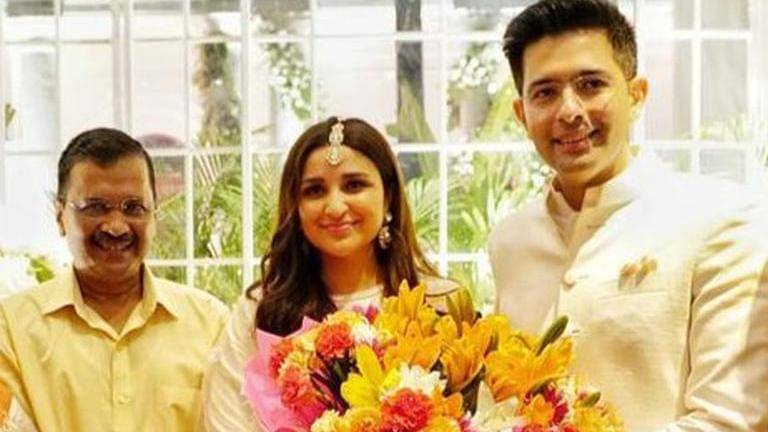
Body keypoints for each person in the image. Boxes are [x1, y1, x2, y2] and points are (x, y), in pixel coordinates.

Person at [489, 0, 768, 430]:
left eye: (590, 85)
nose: (569, 111)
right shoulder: (510, 240)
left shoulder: (721, 219)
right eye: (545, 92)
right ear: (522, 115)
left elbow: (728, 420)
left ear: (636, 95)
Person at [202, 117, 459, 431]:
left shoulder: (438, 302)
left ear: (389, 196)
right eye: (315, 191)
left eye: (354, 185)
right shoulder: (261, 311)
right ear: (296, 206)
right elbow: (225, 419)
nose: (335, 207)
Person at [0, 128, 229, 431]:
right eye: (95, 207)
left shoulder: (210, 324)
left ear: (154, 216)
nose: (116, 226)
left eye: (133, 208)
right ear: (60, 216)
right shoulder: (11, 329)